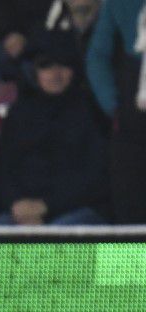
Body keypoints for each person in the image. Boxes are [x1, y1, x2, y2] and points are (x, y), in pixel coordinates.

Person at [0, 31, 109, 225]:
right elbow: (1, 169)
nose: (55, 74)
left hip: (77, 209)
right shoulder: (19, 113)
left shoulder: (92, 110)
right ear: (34, 71)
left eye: (63, 65)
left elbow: (97, 177)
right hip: (20, 210)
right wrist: (16, 205)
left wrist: (47, 206)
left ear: (75, 69)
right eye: (46, 65)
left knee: (56, 237)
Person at [87, 0, 146, 223]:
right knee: (132, 207)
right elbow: (97, 57)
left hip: (131, 107)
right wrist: (114, 106)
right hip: (134, 112)